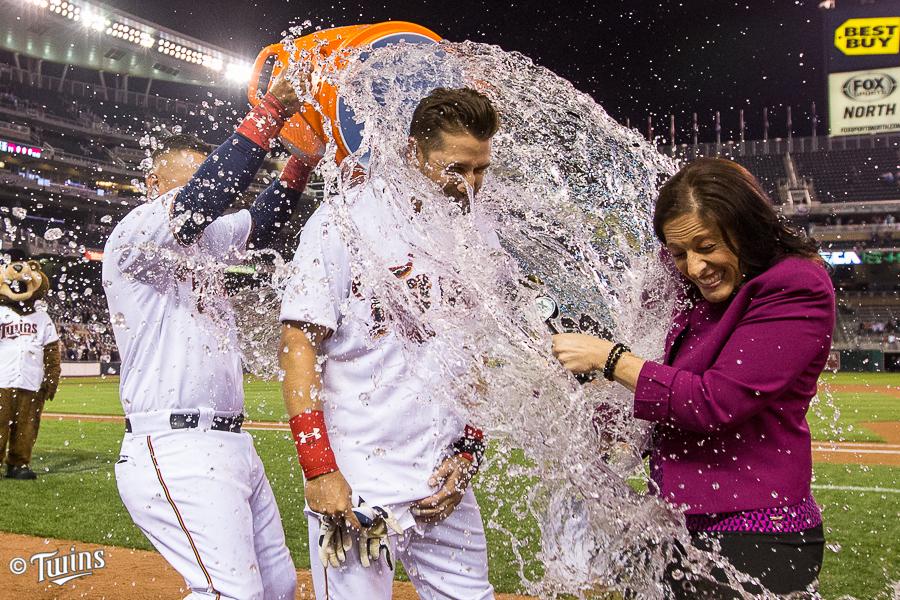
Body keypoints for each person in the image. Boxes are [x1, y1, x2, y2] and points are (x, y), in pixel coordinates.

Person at [552, 158, 834, 598]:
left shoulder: (795, 285)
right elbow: (662, 381)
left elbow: (714, 402)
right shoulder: (690, 289)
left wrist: (611, 359)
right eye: (680, 253)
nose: (695, 266)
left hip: (755, 535)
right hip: (674, 527)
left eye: (706, 246)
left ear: (747, 228)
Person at [103, 71, 323, 599]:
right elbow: (203, 198)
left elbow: (261, 224)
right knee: (232, 594)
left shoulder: (204, 239)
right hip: (172, 444)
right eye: (184, 184)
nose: (200, 193)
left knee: (275, 587)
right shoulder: (135, 233)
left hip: (230, 442)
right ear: (153, 187)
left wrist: (299, 165)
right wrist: (270, 112)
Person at [278, 87, 499, 599]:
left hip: (443, 483)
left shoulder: (480, 236)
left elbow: (485, 359)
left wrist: (469, 453)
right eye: (455, 169)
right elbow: (298, 344)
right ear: (412, 152)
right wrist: (320, 471)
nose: (469, 185)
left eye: (479, 170)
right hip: (360, 489)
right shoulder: (346, 221)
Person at [0, 249, 61, 480]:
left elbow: (52, 352)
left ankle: (18, 463)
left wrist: (51, 379)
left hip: (31, 382)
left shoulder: (43, 318)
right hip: (1, 381)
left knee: (26, 426)